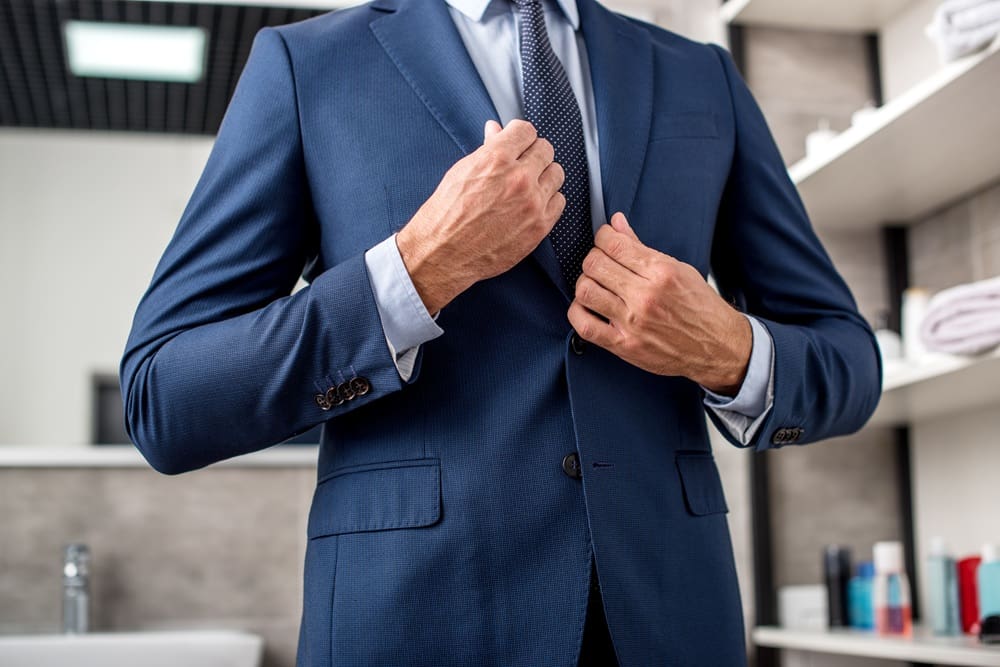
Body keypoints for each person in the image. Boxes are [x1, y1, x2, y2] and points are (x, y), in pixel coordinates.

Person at [120, 1, 882, 665]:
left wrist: (727, 347)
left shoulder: (699, 74)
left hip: (672, 619)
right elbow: (165, 395)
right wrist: (413, 273)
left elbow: (850, 362)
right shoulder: (307, 65)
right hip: (415, 620)